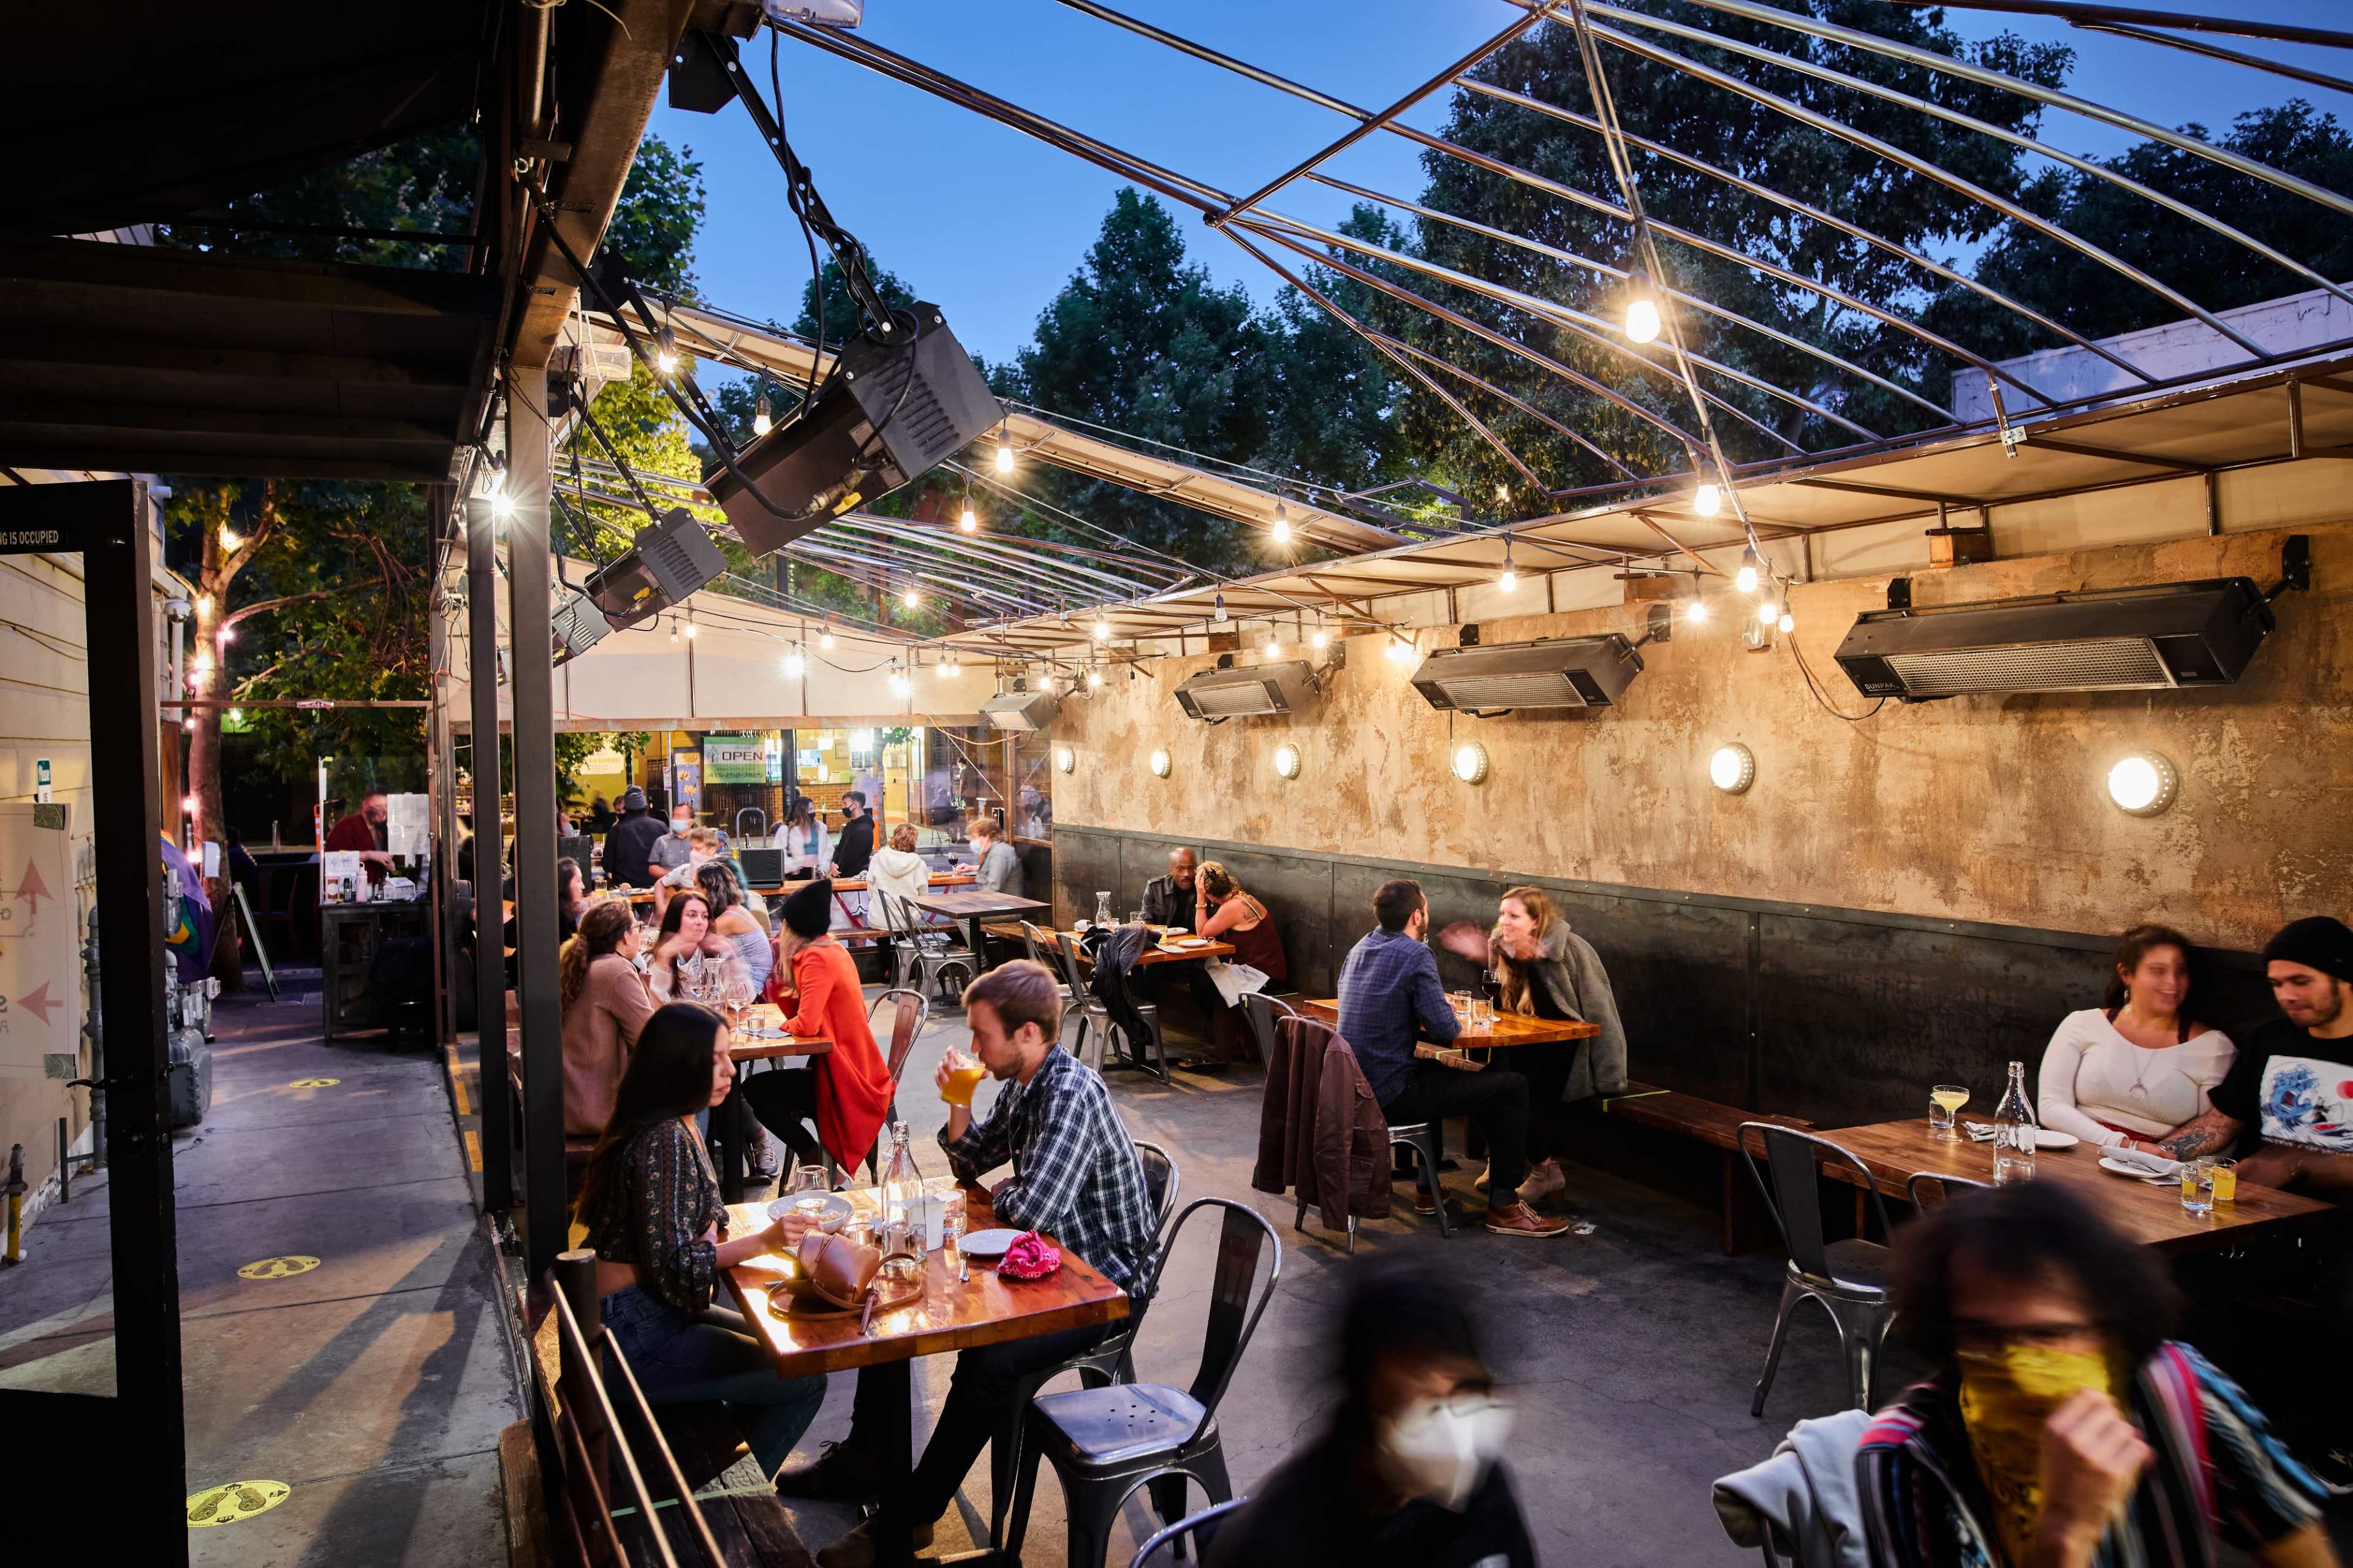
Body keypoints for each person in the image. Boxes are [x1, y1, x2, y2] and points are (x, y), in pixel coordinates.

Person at [787, 961, 1158, 1567]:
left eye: (983, 1035)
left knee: (989, 1360)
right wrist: (959, 1100)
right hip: (1048, 1265)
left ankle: (911, 1518)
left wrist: (1010, 1191)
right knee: (891, 1310)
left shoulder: (1070, 1094)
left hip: (1101, 1286)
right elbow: (972, 1162)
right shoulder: (1027, 1084)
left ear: (1029, 1033)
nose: (976, 1049)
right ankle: (865, 1457)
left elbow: (1033, 1209)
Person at [1855, 1180, 2333, 1568]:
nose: (2018, 1369)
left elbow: (2297, 1541)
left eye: (2049, 1333)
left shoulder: (2181, 1392)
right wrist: (2065, 1532)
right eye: (1983, 1335)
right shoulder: (1906, 1458)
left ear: (2107, 1331)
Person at [574, 1003, 825, 1484]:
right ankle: (729, 1502)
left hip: (633, 1313)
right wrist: (766, 1240)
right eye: (717, 1059)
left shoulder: (674, 1118)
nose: (730, 1069)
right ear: (679, 1064)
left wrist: (707, 1233)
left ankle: (722, 1481)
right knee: (806, 1377)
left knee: (787, 1349)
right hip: (631, 1332)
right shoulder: (665, 1137)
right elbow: (680, 1269)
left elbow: (706, 1217)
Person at [1205, 1260, 1536, 1568]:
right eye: (1421, 1402)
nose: (1452, 1426)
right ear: (1365, 1407)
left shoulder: (1484, 1493)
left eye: (1464, 1391)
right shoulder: (1276, 1544)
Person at [1336, 880, 1569, 1239]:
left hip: (1351, 1089)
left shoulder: (1361, 946)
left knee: (1438, 1069)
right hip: (1390, 1095)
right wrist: (1438, 1005)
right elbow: (1446, 1031)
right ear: (1418, 916)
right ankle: (1504, 1207)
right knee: (1513, 1087)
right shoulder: (1416, 954)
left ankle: (1427, 1189)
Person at [1438, 887, 1630, 1205]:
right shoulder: (1501, 944)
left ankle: (1545, 1172)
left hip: (1564, 1051)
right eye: (1502, 914)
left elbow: (1585, 1012)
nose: (1504, 921)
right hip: (1518, 1046)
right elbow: (1499, 1003)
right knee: (1479, 1087)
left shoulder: (1570, 950)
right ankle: (1503, 1158)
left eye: (1514, 916)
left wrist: (1532, 962)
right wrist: (1479, 959)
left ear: (1536, 920)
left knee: (1519, 1090)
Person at [740, 880, 896, 1177]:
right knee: (762, 1089)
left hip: (846, 1078)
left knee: (754, 1090)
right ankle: (814, 1157)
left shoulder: (816, 959)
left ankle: (813, 1157)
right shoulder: (832, 949)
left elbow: (806, 1024)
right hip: (856, 1065)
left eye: (784, 922)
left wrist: (783, 1024)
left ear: (794, 927)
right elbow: (800, 1012)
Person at [2036, 923, 2237, 1154]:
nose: (2172, 982)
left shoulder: (2214, 1047)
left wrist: (2157, 1163)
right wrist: (2124, 1146)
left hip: (2160, 1166)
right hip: (2076, 1153)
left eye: (2181, 971)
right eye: (2158, 971)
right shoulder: (2083, 1024)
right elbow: (2051, 1106)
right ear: (2126, 974)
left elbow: (2214, 1139)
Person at [560, 900, 655, 1136]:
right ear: (625, 936)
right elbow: (649, 1040)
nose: (640, 934)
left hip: (572, 1101)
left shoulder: (586, 964)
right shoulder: (616, 970)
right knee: (693, 1086)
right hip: (597, 1111)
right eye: (637, 928)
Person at [646, 890, 748, 1004]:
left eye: (704, 916)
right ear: (676, 919)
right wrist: (662, 961)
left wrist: (732, 956)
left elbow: (743, 1000)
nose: (700, 922)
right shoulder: (652, 959)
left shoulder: (716, 953)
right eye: (692, 915)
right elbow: (651, 1008)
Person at [694, 861, 773, 998]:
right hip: (738, 978)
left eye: (696, 885)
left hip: (751, 986)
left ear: (707, 889)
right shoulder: (731, 909)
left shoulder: (731, 917)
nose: (693, 890)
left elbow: (692, 939)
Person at [324, 786, 394, 887]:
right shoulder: (347, 825)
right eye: (378, 807)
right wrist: (370, 855)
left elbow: (375, 863)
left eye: (386, 806)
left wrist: (386, 864)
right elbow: (335, 857)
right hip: (348, 890)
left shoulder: (378, 831)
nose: (383, 811)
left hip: (370, 891)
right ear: (365, 805)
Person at [603, 787, 665, 890]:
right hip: (656, 887)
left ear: (627, 809)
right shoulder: (661, 826)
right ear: (646, 807)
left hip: (625, 889)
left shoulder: (617, 830)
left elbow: (607, 865)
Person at [866, 822, 931, 906]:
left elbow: (871, 890)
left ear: (894, 837)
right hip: (908, 913)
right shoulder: (919, 865)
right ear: (914, 842)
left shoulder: (878, 858)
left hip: (879, 912)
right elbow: (923, 897)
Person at [963, 811, 1024, 898]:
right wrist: (971, 868)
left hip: (1003, 903)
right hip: (992, 900)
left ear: (986, 836)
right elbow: (992, 868)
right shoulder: (993, 851)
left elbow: (993, 888)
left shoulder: (1000, 853)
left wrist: (973, 899)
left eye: (974, 837)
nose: (972, 841)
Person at [1140, 846, 1199, 933]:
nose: (1187, 874)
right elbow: (1146, 924)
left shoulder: (1205, 889)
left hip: (1197, 940)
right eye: (1180, 869)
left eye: (1191, 868)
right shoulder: (1156, 888)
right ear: (1171, 870)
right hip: (1162, 939)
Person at [829, 791, 876, 881]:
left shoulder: (864, 830)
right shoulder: (851, 824)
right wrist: (833, 863)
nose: (843, 807)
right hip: (843, 875)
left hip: (855, 878)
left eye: (845, 804)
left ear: (855, 805)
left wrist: (838, 869)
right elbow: (840, 847)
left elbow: (853, 857)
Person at [781, 795, 830, 875]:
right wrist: (791, 866)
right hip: (796, 873)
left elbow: (829, 851)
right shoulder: (787, 830)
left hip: (817, 872)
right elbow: (779, 854)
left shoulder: (820, 828)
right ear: (802, 811)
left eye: (813, 809)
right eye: (810, 809)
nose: (813, 812)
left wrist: (824, 868)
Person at [650, 802, 699, 877]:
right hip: (668, 883)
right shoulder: (661, 841)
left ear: (691, 822)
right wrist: (673, 875)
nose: (676, 819)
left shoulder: (700, 841)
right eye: (675, 816)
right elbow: (653, 868)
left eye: (680, 816)